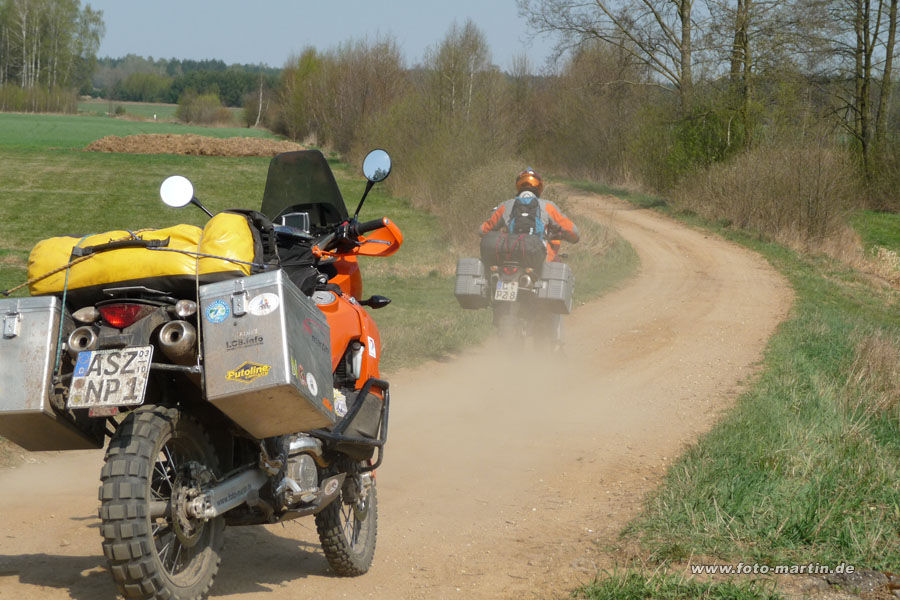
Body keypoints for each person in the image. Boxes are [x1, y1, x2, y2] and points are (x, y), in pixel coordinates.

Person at [480, 167, 579, 261]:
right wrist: (571, 238)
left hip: (509, 255)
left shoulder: (506, 205)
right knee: (556, 264)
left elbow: (483, 230)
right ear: (539, 187)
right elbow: (573, 231)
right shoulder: (548, 206)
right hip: (540, 259)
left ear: (518, 186)